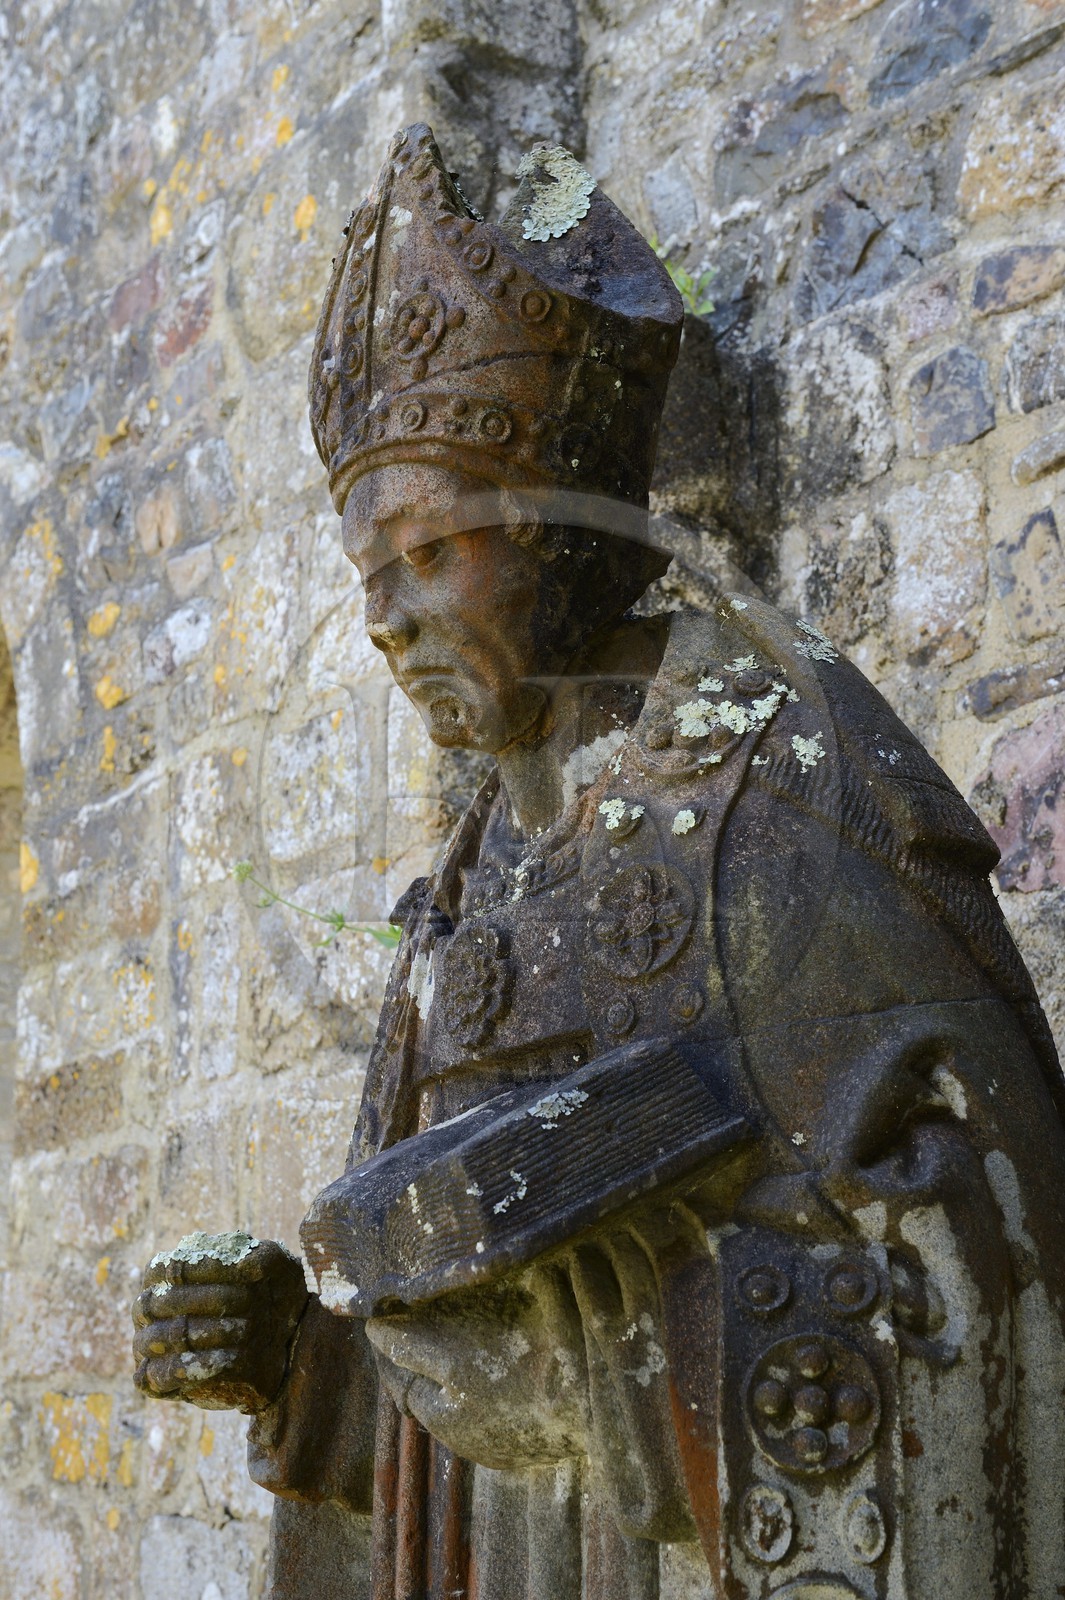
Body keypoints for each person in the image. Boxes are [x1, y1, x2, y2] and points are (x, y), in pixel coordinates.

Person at [133, 126, 1065, 1600]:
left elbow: (990, 1269)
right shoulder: (464, 892)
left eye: (429, 552)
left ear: (567, 537)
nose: (384, 622)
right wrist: (306, 1375)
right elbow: (435, 1403)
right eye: (369, 577)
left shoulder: (780, 794)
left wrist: (616, 1367)